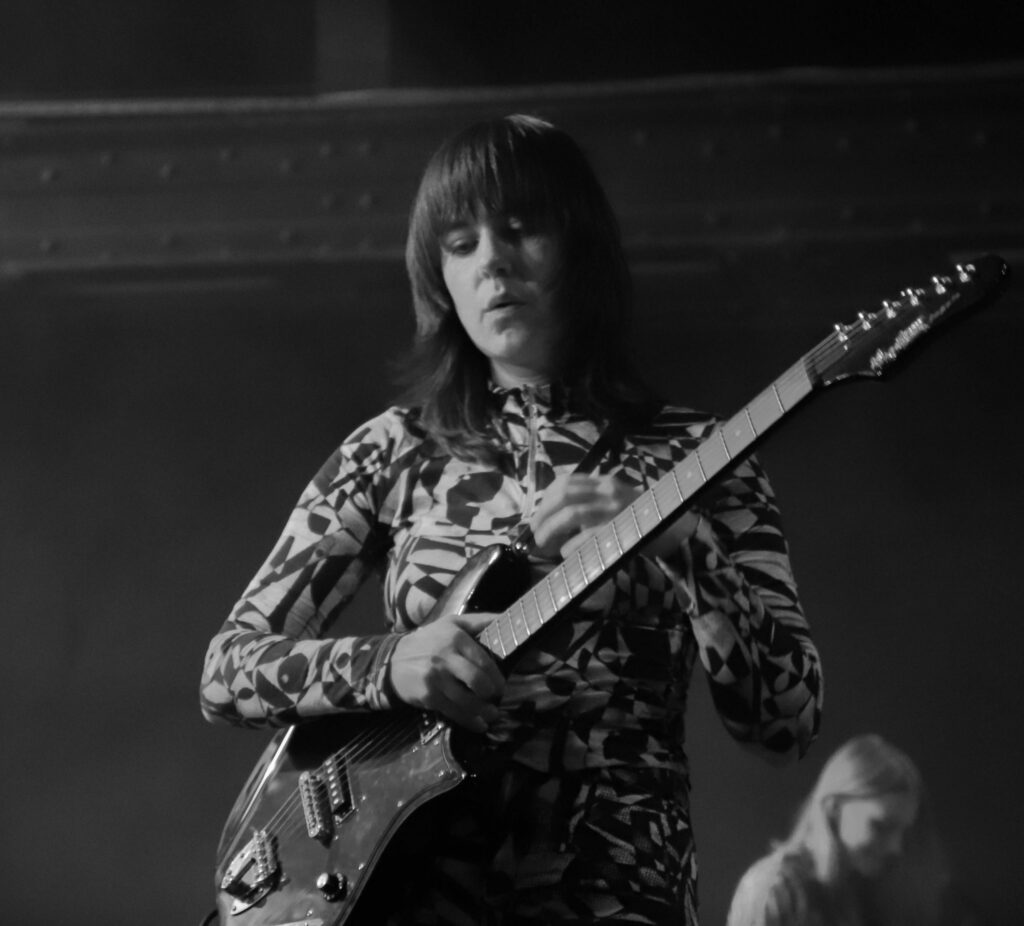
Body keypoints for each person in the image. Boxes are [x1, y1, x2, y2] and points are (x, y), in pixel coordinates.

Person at [200, 113, 823, 925]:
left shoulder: (698, 454)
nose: (492, 261)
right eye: (461, 244)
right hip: (420, 895)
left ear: (581, 247)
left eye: (522, 229)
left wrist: (686, 546)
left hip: (619, 893)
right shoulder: (391, 451)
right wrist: (390, 663)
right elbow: (227, 670)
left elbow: (785, 725)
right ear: (439, 279)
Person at [726, 733, 981, 926]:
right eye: (881, 826)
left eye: (903, 831)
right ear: (834, 809)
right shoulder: (772, 889)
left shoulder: (851, 891)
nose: (896, 847)